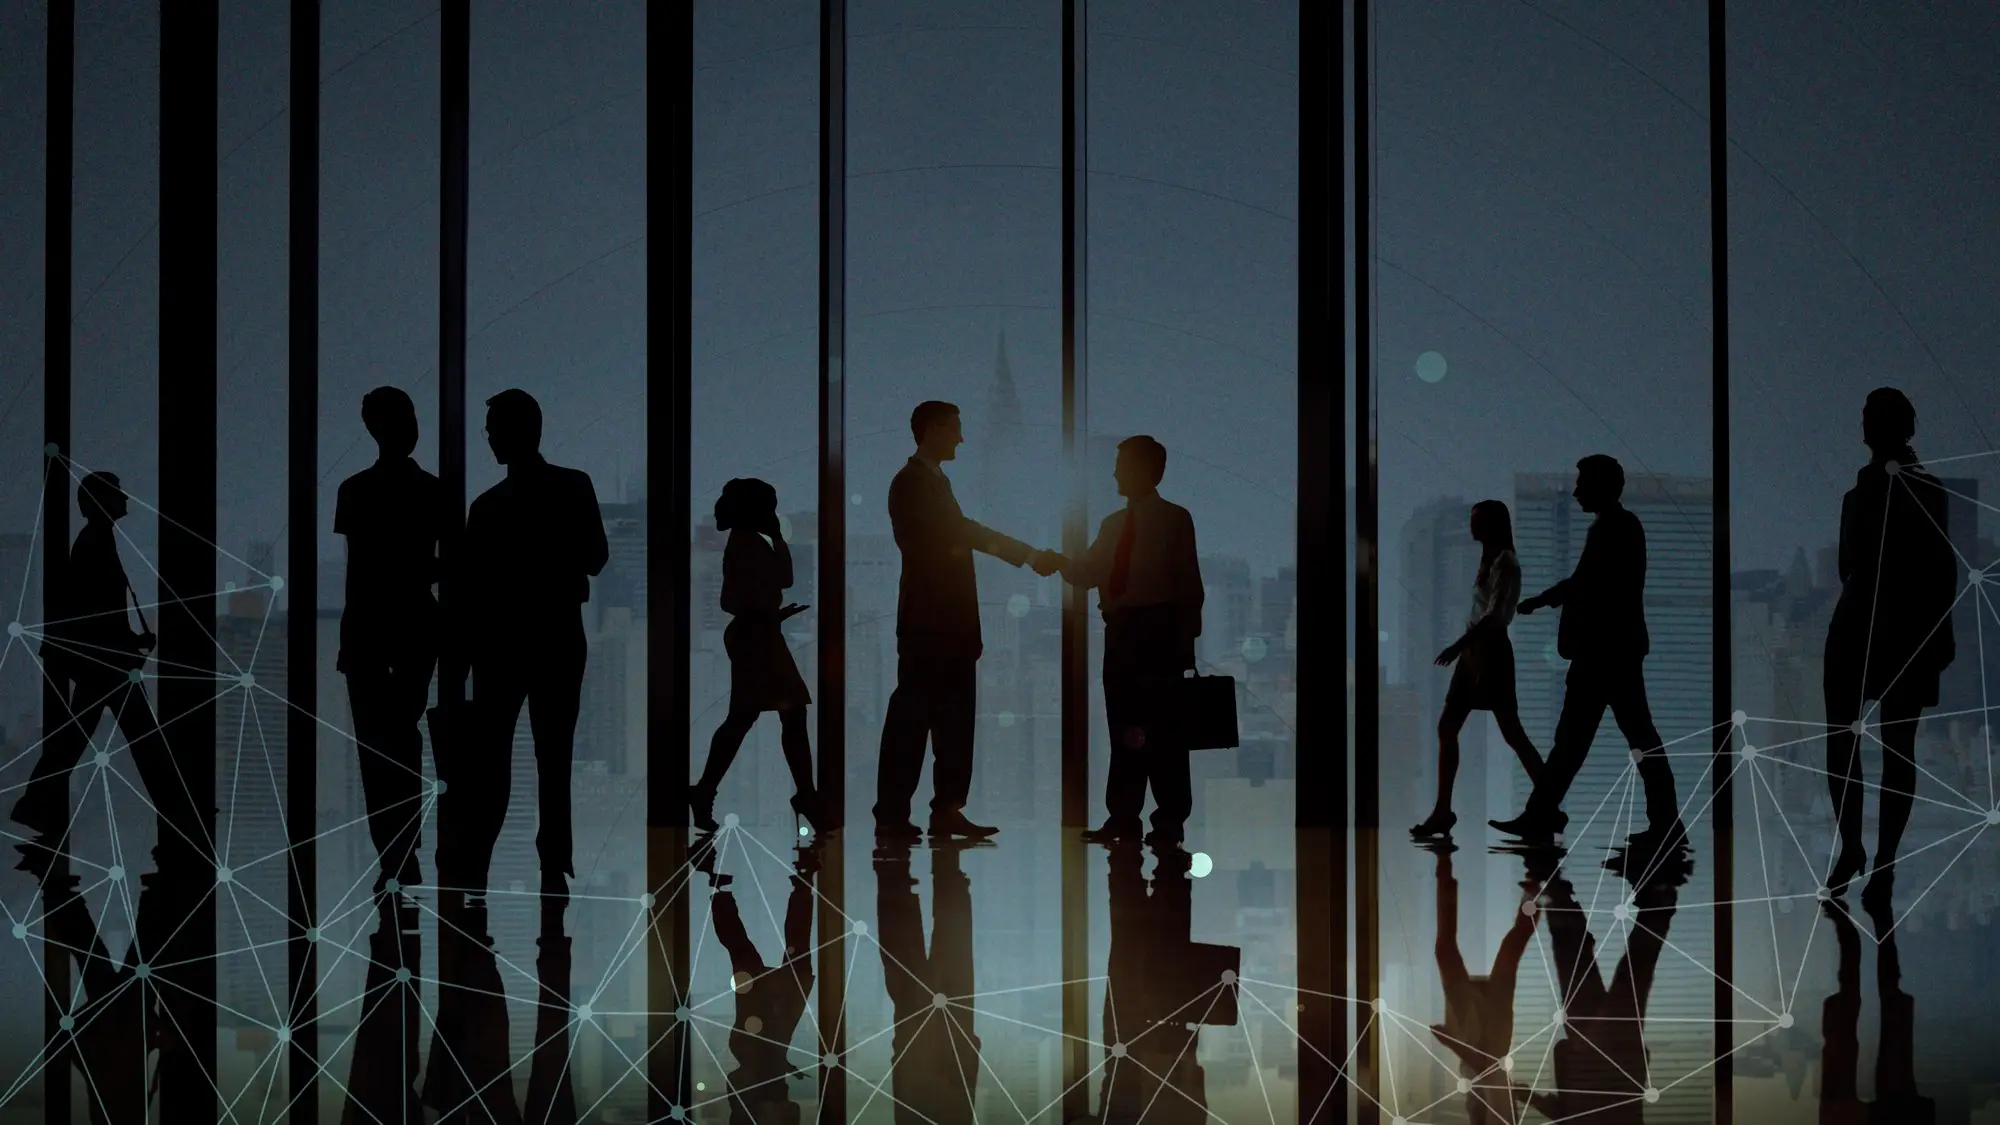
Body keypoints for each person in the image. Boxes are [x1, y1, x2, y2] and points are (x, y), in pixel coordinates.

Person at [874, 400, 1062, 843]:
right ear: (933, 429)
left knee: (950, 721)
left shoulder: (931, 482)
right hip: (931, 624)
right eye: (955, 429)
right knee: (917, 720)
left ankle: (941, 810)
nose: (961, 438)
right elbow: (961, 532)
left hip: (947, 626)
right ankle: (900, 813)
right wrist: (1029, 556)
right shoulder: (912, 484)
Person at [452, 388, 609, 897]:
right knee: (553, 753)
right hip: (558, 634)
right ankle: (553, 858)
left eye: (495, 428)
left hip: (500, 643)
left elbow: (471, 587)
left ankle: (479, 857)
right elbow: (595, 557)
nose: (491, 438)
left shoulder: (486, 508)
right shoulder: (572, 487)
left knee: (492, 754)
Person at [1491, 454, 1681, 844]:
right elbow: (1585, 582)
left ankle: (1663, 825)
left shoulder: (1617, 527)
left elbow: (1590, 584)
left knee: (1610, 741)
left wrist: (1545, 600)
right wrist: (1545, 600)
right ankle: (1542, 816)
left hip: (1606, 654)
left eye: (1582, 483)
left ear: (1601, 486)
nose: (1576, 491)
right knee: (1590, 742)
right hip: (1606, 653)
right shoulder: (1610, 526)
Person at [1820, 388, 1956, 903]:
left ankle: (1862, 853)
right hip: (1895, 630)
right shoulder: (1921, 490)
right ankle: (1877, 862)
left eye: (1870, 418)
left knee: (1853, 744)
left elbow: (1847, 567)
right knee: (1893, 747)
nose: (1864, 427)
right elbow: (1942, 571)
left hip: (1870, 626)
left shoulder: (1864, 496)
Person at [1057, 436, 1205, 848]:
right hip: (1127, 633)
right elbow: (1088, 572)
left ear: (1146, 470)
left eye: (1122, 464)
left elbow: (1188, 585)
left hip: (1154, 633)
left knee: (1159, 732)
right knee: (1128, 727)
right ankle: (1133, 817)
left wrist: (1184, 640)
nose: (1116, 472)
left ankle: (1158, 818)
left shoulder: (1174, 520)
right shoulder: (1114, 525)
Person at [333, 386, 443, 896]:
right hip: (409, 624)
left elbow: (360, 570)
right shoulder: (430, 491)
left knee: (381, 743)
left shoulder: (356, 491)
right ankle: (402, 847)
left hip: (376, 628)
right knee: (398, 737)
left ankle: (397, 850)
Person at [688, 477, 826, 836]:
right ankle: (805, 796)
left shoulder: (746, 542)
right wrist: (766, 612)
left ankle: (705, 792)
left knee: (753, 717)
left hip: (759, 635)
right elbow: (742, 596)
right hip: (757, 638)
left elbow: (774, 584)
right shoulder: (747, 543)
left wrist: (770, 614)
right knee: (783, 714)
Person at [1413, 500, 1543, 839]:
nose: (1472, 527)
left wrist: (1459, 645)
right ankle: (1443, 810)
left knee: (1512, 733)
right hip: (1475, 654)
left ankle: (1549, 805)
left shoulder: (1506, 562)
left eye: (1478, 520)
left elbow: (1496, 615)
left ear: (1493, 525)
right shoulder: (1490, 560)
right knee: (1449, 727)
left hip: (1491, 654)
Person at [1427, 843, 1537, 1125]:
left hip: (1479, 1041)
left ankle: (1444, 864)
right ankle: (1443, 861)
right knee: (1496, 951)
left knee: (1500, 951)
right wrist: (1454, 1044)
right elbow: (1490, 1073)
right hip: (1485, 1043)